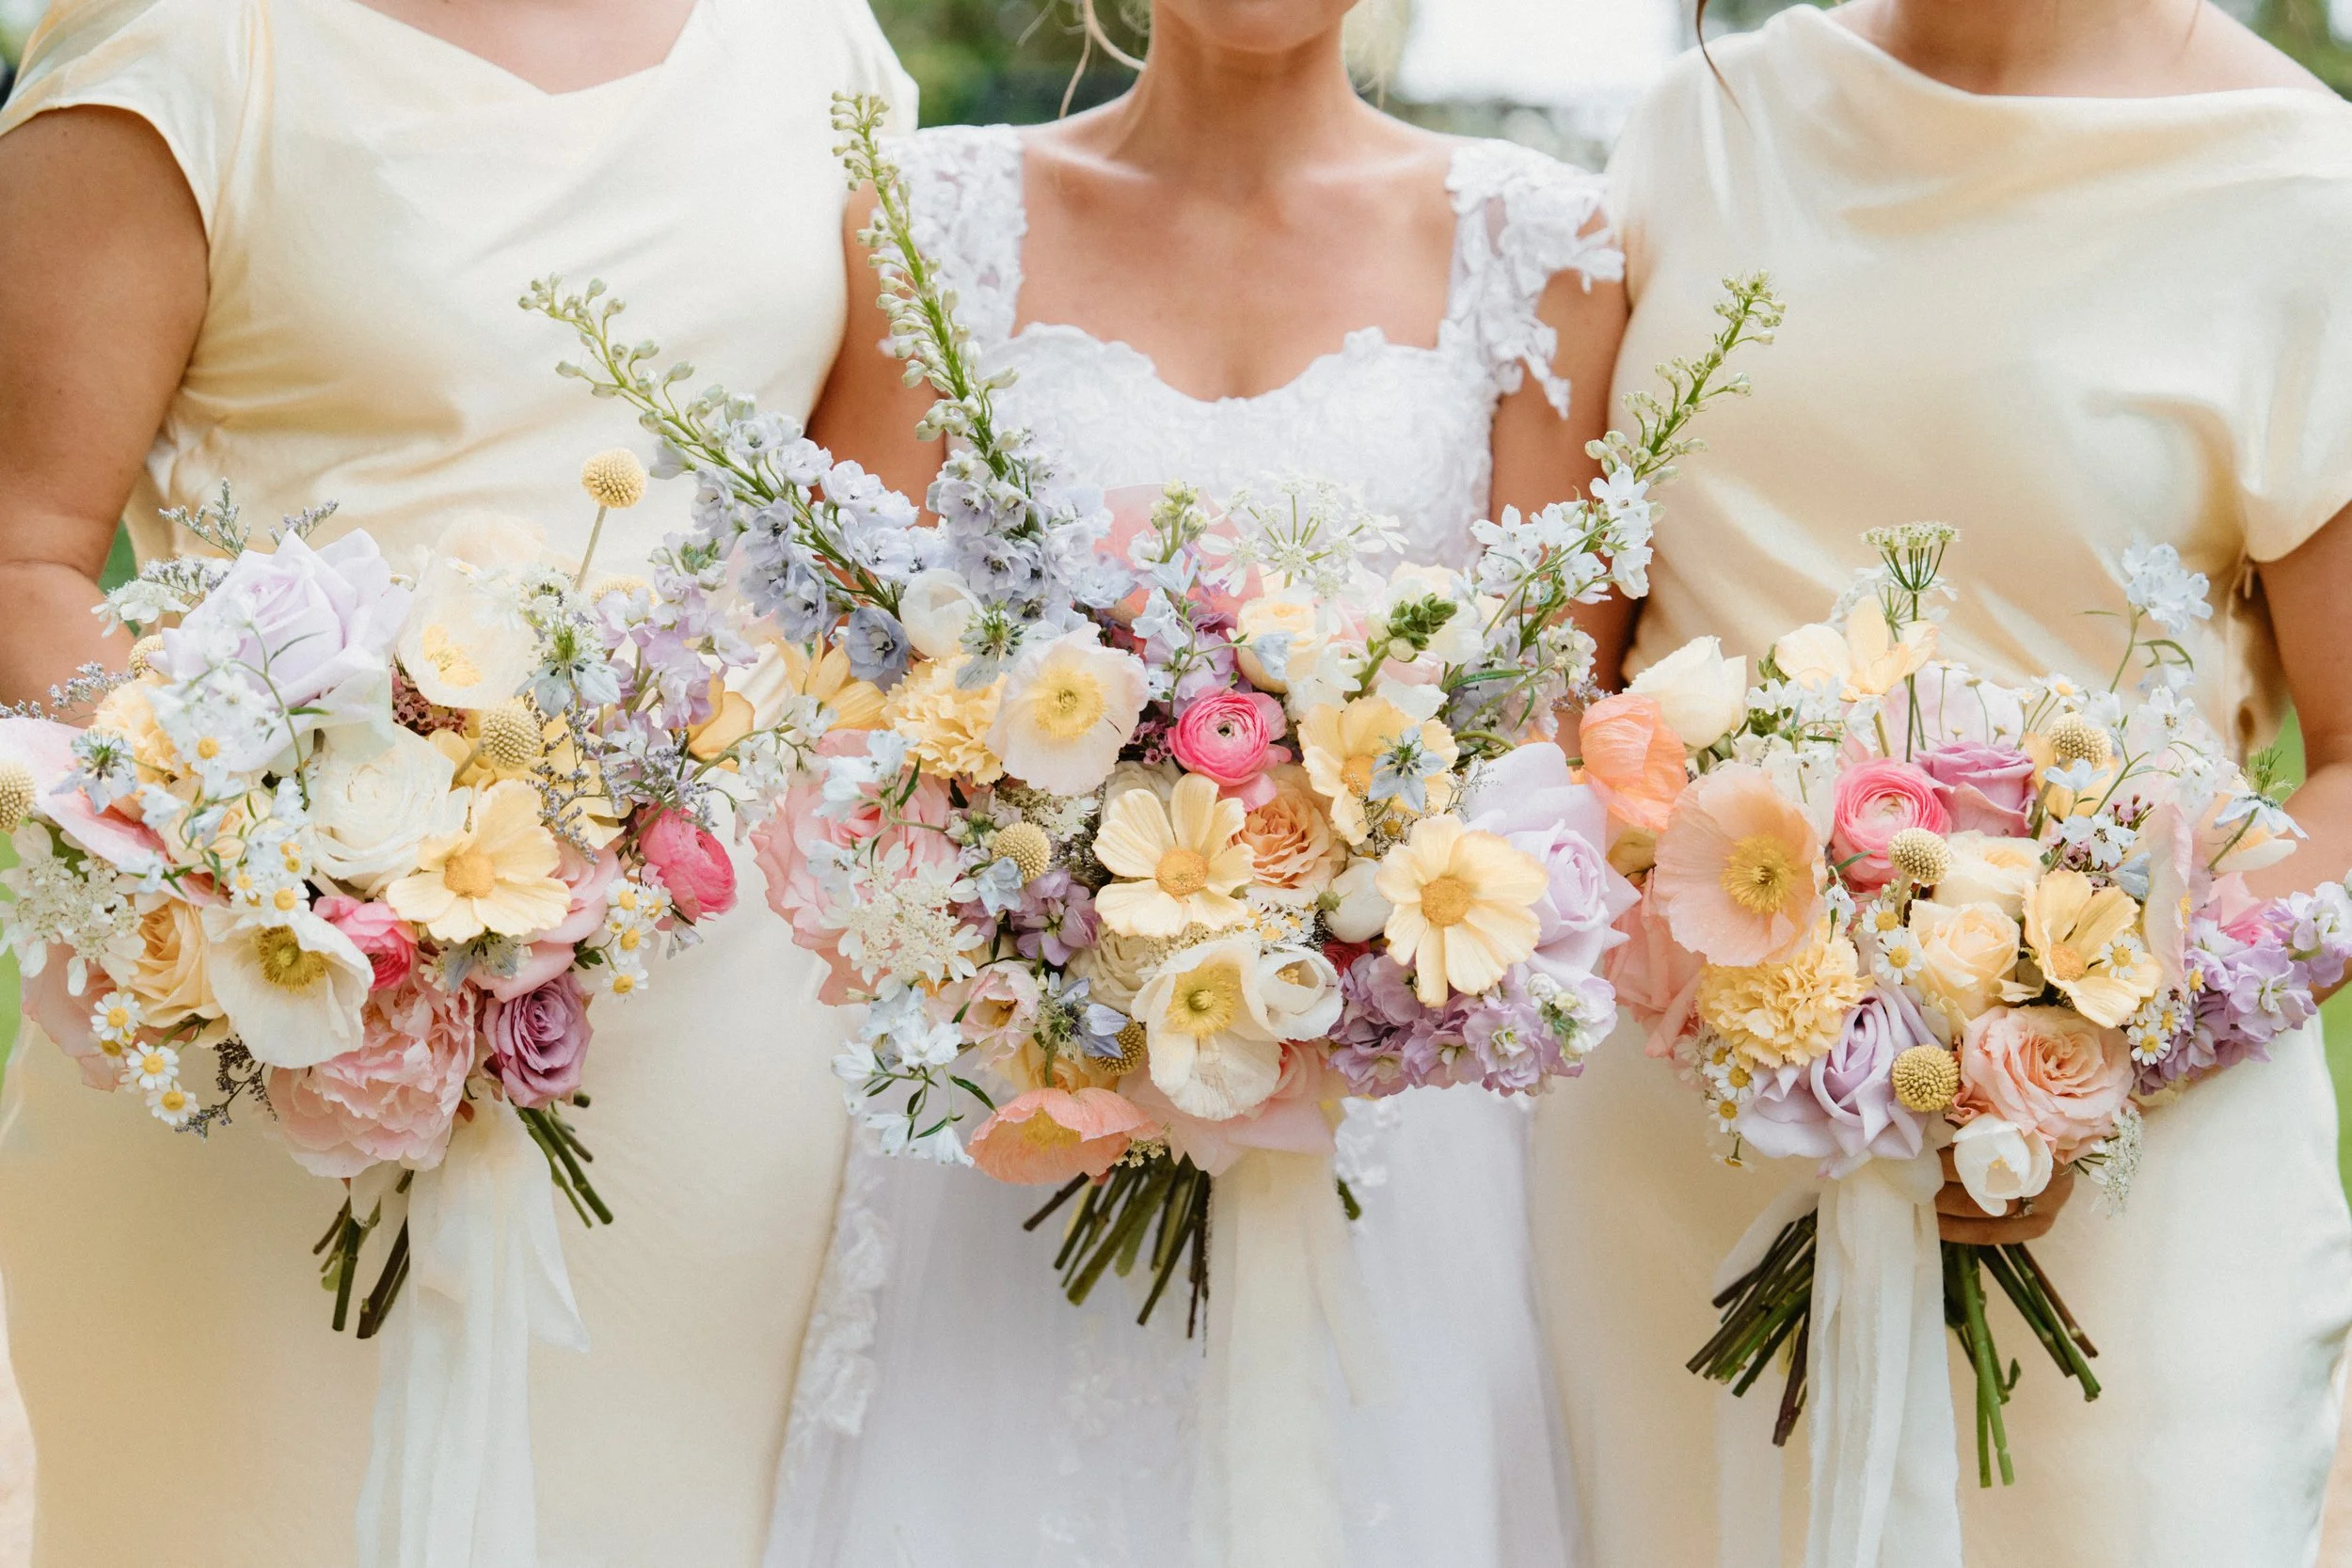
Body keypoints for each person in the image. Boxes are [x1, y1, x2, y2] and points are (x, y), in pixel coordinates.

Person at [0, 0, 910, 1561]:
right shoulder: (187, 51)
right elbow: (23, 548)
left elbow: (871, 563)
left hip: (735, 1047)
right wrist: (270, 867)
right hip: (286, 1019)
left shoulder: (821, 48)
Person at [763, 0, 1627, 1560]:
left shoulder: (1543, 245)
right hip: (1018, 1122)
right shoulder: (930, 217)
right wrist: (1056, 942)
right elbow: (846, 708)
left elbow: (1544, 758)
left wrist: (1337, 955)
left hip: (1394, 1141)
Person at [1534, 2, 2352, 1562]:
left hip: (2125, 1181)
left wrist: (2075, 1053)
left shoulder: (2310, 195)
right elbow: (1564, 684)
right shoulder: (1699, 126)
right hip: (1677, 1149)